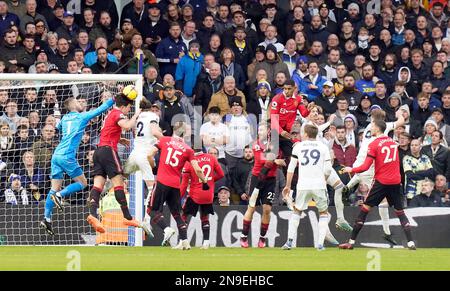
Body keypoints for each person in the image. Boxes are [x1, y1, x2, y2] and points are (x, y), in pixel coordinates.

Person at [39, 95, 116, 235]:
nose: (81, 103)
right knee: (83, 183)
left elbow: (59, 126)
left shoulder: (64, 118)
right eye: (77, 101)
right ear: (73, 106)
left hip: (56, 155)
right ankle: (60, 196)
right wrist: (113, 99)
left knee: (54, 187)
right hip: (67, 155)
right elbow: (101, 109)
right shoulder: (81, 117)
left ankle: (47, 218)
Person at [340, 119, 416, 250]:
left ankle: (351, 242)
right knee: (400, 212)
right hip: (395, 181)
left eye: (373, 126)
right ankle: (411, 242)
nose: (371, 128)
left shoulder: (374, 144)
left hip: (381, 182)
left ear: (378, 129)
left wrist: (350, 169)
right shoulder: (393, 143)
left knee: (364, 210)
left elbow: (365, 166)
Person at [87, 93, 147, 235]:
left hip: (98, 152)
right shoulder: (117, 113)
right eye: (128, 108)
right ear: (124, 106)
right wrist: (136, 114)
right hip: (109, 152)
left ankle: (93, 215)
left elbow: (108, 131)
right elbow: (126, 126)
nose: (128, 111)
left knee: (97, 186)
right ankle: (127, 217)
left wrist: (119, 140)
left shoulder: (109, 114)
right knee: (119, 183)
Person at [147, 122, 207, 250]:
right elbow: (198, 170)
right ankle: (185, 241)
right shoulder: (188, 150)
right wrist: (205, 181)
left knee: (153, 211)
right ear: (184, 133)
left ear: (173, 129)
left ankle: (167, 229)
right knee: (177, 214)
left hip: (162, 181)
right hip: (175, 185)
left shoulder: (165, 140)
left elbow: (149, 155)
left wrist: (154, 169)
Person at [282, 124, 338, 251]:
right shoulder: (323, 147)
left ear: (306, 134)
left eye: (302, 132)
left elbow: (291, 167)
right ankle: (319, 244)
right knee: (323, 213)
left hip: (303, 185)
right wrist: (323, 179)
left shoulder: (298, 147)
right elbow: (328, 168)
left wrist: (288, 185)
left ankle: (289, 242)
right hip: (319, 185)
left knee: (297, 211)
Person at [240, 123, 285, 248]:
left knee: (267, 210)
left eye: (262, 129)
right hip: (257, 178)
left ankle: (262, 238)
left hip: (270, 180)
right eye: (258, 129)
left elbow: (281, 157)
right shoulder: (255, 144)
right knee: (252, 207)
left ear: (268, 131)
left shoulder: (275, 144)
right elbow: (260, 160)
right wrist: (275, 160)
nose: (259, 131)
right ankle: (244, 236)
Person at [180, 149, 224, 249]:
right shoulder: (211, 158)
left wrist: (178, 197)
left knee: (183, 216)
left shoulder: (189, 161)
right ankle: (206, 242)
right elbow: (221, 174)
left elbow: (184, 184)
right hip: (208, 194)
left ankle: (182, 241)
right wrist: (210, 182)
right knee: (204, 217)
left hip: (195, 194)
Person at [124, 98, 162, 195]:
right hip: (145, 154)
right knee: (152, 189)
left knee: (120, 179)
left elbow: (134, 132)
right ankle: (150, 210)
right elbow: (154, 131)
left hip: (134, 153)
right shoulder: (153, 116)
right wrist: (167, 140)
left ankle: (98, 193)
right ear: (150, 108)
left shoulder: (137, 117)